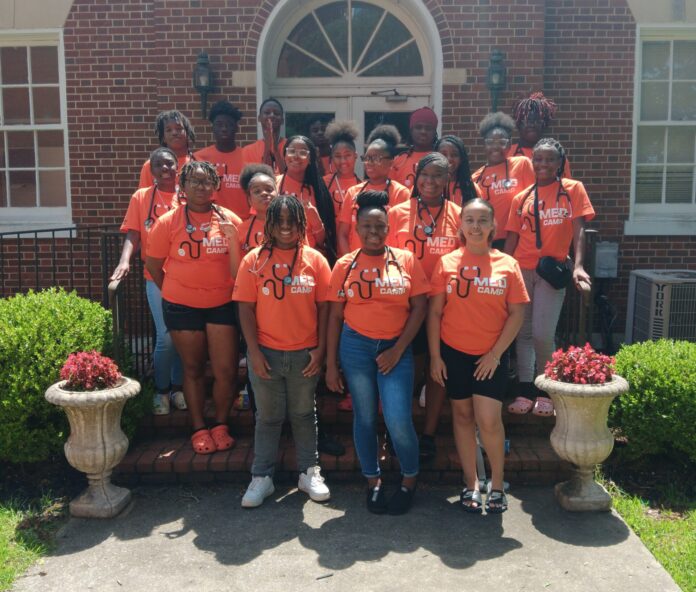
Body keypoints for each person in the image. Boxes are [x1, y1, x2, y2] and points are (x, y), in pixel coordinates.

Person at [326, 190, 429, 515]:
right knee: (365, 417)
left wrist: (398, 350)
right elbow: (335, 316)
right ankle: (373, 481)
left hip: (395, 348)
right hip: (355, 346)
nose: (373, 233)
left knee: (398, 419)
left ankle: (410, 479)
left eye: (380, 227)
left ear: (389, 229)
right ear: (356, 229)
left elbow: (420, 308)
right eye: (367, 227)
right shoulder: (345, 264)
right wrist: (330, 364)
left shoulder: (405, 260)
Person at [428, 198, 529, 514]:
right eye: (469, 220)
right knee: (462, 417)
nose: (475, 226)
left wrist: (495, 354)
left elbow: (516, 314)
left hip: (490, 358)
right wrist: (435, 357)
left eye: (482, 220)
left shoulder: (507, 265)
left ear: (493, 226)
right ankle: (470, 483)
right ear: (460, 226)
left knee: (488, 421)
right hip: (454, 353)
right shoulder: (446, 263)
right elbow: (434, 314)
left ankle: (497, 486)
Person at [234, 195, 332, 507]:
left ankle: (308, 472)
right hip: (266, 352)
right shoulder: (254, 260)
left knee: (304, 413)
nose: (286, 228)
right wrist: (254, 352)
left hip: (305, 354)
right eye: (280, 222)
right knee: (268, 416)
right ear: (270, 224)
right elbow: (245, 310)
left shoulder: (315, 260)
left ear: (302, 224)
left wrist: (321, 350)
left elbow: (326, 310)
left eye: (293, 222)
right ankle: (262, 477)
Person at [146, 161, 243, 454]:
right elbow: (153, 264)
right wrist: (175, 291)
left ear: (215, 186)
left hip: (222, 304)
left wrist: (233, 241)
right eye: (195, 182)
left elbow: (240, 269)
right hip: (182, 306)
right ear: (183, 187)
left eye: (207, 182)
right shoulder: (168, 222)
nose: (201, 187)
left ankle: (220, 424)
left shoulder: (229, 220)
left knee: (225, 370)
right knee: (193, 367)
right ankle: (199, 427)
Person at [505, 138, 594, 416]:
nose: (543, 164)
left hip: (551, 271)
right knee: (524, 333)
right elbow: (512, 237)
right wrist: (505, 271)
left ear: (560, 163)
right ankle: (525, 390)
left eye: (549, 159)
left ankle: (547, 390)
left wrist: (578, 266)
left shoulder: (572, 190)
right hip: (522, 269)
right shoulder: (521, 198)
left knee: (543, 334)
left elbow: (579, 229)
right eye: (539, 159)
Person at [387, 152, 461, 462]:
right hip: (405, 306)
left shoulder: (459, 214)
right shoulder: (397, 212)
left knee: (436, 373)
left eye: (438, 176)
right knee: (406, 373)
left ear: (447, 180)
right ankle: (399, 434)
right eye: (425, 175)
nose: (430, 181)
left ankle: (428, 435)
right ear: (416, 177)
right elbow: (386, 257)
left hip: (443, 308)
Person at [112, 147, 184, 415]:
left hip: (185, 276)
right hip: (155, 275)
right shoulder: (141, 197)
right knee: (166, 336)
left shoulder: (187, 196)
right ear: (150, 170)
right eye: (158, 165)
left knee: (183, 335)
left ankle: (178, 388)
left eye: (169, 164)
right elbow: (133, 233)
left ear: (177, 166)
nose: (165, 169)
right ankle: (162, 390)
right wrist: (124, 260)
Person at [337, 125, 410, 256]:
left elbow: (403, 236)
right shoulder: (353, 192)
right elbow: (342, 234)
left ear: (391, 162)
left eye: (376, 158)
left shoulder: (401, 193)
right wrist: (350, 262)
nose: (369, 163)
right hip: (357, 264)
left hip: (388, 264)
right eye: (366, 158)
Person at [472, 112, 536, 250]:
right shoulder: (476, 178)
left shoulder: (522, 164)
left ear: (509, 145)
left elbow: (533, 201)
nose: (496, 147)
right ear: (484, 145)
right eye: (490, 142)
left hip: (520, 240)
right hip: (488, 242)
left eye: (502, 142)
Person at [276, 136, 337, 257]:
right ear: (284, 155)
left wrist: (315, 219)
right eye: (291, 151)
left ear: (310, 159)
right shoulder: (272, 184)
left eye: (303, 153)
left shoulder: (318, 191)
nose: (296, 156)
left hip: (307, 259)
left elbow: (322, 242)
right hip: (277, 256)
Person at [194, 100, 250, 219]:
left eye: (229, 124)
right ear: (213, 128)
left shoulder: (249, 157)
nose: (224, 128)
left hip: (243, 223)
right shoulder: (200, 159)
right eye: (219, 124)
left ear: (236, 128)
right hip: (212, 224)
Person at [508, 92, 572, 177]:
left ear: (544, 124)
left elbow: (566, 187)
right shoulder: (507, 154)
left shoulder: (556, 155)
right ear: (518, 123)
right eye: (527, 120)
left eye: (537, 120)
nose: (532, 125)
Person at [138, 110, 196, 189]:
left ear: (187, 133)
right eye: (169, 130)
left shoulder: (198, 162)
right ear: (164, 138)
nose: (174, 133)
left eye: (179, 128)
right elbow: (144, 199)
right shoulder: (151, 166)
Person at [390, 107, 438, 189]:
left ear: (434, 132)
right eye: (418, 127)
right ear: (411, 131)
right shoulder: (398, 162)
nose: (423, 131)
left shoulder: (442, 160)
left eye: (428, 128)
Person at [323, 120, 361, 221]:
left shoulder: (363, 185)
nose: (343, 161)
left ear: (355, 155)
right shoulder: (324, 183)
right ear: (332, 157)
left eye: (347, 155)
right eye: (338, 156)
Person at [238, 164, 278, 254]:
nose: (264, 193)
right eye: (257, 191)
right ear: (249, 200)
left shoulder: (292, 224)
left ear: (278, 194)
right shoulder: (241, 230)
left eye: (269, 189)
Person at [243, 98, 286, 172]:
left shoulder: (291, 147)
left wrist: (275, 150)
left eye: (276, 113)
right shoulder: (248, 151)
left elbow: (289, 179)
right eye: (267, 112)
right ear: (259, 118)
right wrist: (267, 149)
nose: (272, 115)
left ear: (282, 120)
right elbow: (253, 180)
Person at [435, 135, 481, 206]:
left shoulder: (471, 188)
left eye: (454, 155)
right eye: (443, 154)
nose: (449, 159)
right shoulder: (428, 185)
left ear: (461, 159)